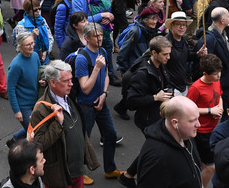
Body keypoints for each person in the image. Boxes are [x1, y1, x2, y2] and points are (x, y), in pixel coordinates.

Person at [28, 60, 100, 188]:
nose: (71, 84)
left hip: (77, 171)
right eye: (66, 81)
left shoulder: (70, 95)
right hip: (60, 176)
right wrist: (57, 124)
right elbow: (38, 144)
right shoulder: (41, 109)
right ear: (52, 82)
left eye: (71, 79)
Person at [73, 23, 125, 180]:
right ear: (87, 38)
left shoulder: (102, 51)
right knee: (83, 141)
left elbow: (107, 75)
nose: (100, 38)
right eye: (96, 36)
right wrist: (96, 68)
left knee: (110, 135)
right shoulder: (82, 58)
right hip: (86, 106)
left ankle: (110, 169)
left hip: (101, 104)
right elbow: (85, 89)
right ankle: (80, 174)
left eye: (101, 35)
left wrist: (103, 94)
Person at [134, 96, 204, 188]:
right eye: (192, 120)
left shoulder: (186, 135)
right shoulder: (157, 157)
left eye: (198, 118)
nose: (198, 124)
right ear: (175, 123)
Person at [187, 54, 224, 187]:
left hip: (214, 129)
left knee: (203, 164)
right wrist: (210, 111)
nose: (219, 76)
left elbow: (219, 95)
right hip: (202, 131)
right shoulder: (196, 88)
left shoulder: (216, 81)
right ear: (205, 73)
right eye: (215, 74)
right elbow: (188, 109)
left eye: (219, 72)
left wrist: (220, 107)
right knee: (210, 167)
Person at [126, 35, 174, 132]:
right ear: (154, 53)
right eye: (165, 54)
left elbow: (165, 83)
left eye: (169, 54)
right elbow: (132, 100)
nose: (168, 57)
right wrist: (155, 97)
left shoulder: (161, 64)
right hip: (147, 120)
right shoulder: (141, 74)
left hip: (158, 115)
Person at [8, 31, 42, 140]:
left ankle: (14, 140)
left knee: (36, 127)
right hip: (24, 106)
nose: (32, 46)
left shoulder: (35, 56)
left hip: (36, 101)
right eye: (28, 45)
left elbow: (39, 73)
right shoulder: (16, 65)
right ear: (20, 47)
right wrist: (16, 111)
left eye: (33, 43)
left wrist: (42, 80)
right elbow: (10, 89)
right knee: (35, 132)